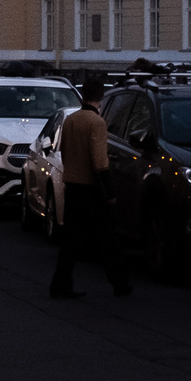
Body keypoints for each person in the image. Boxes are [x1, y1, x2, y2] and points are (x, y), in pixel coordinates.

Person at [49, 100, 132, 299]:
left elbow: (65, 150)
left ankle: (60, 283)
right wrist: (109, 192)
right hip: (91, 188)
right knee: (107, 238)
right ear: (99, 101)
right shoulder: (97, 123)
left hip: (73, 185)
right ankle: (119, 283)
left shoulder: (71, 120)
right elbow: (99, 160)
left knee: (71, 240)